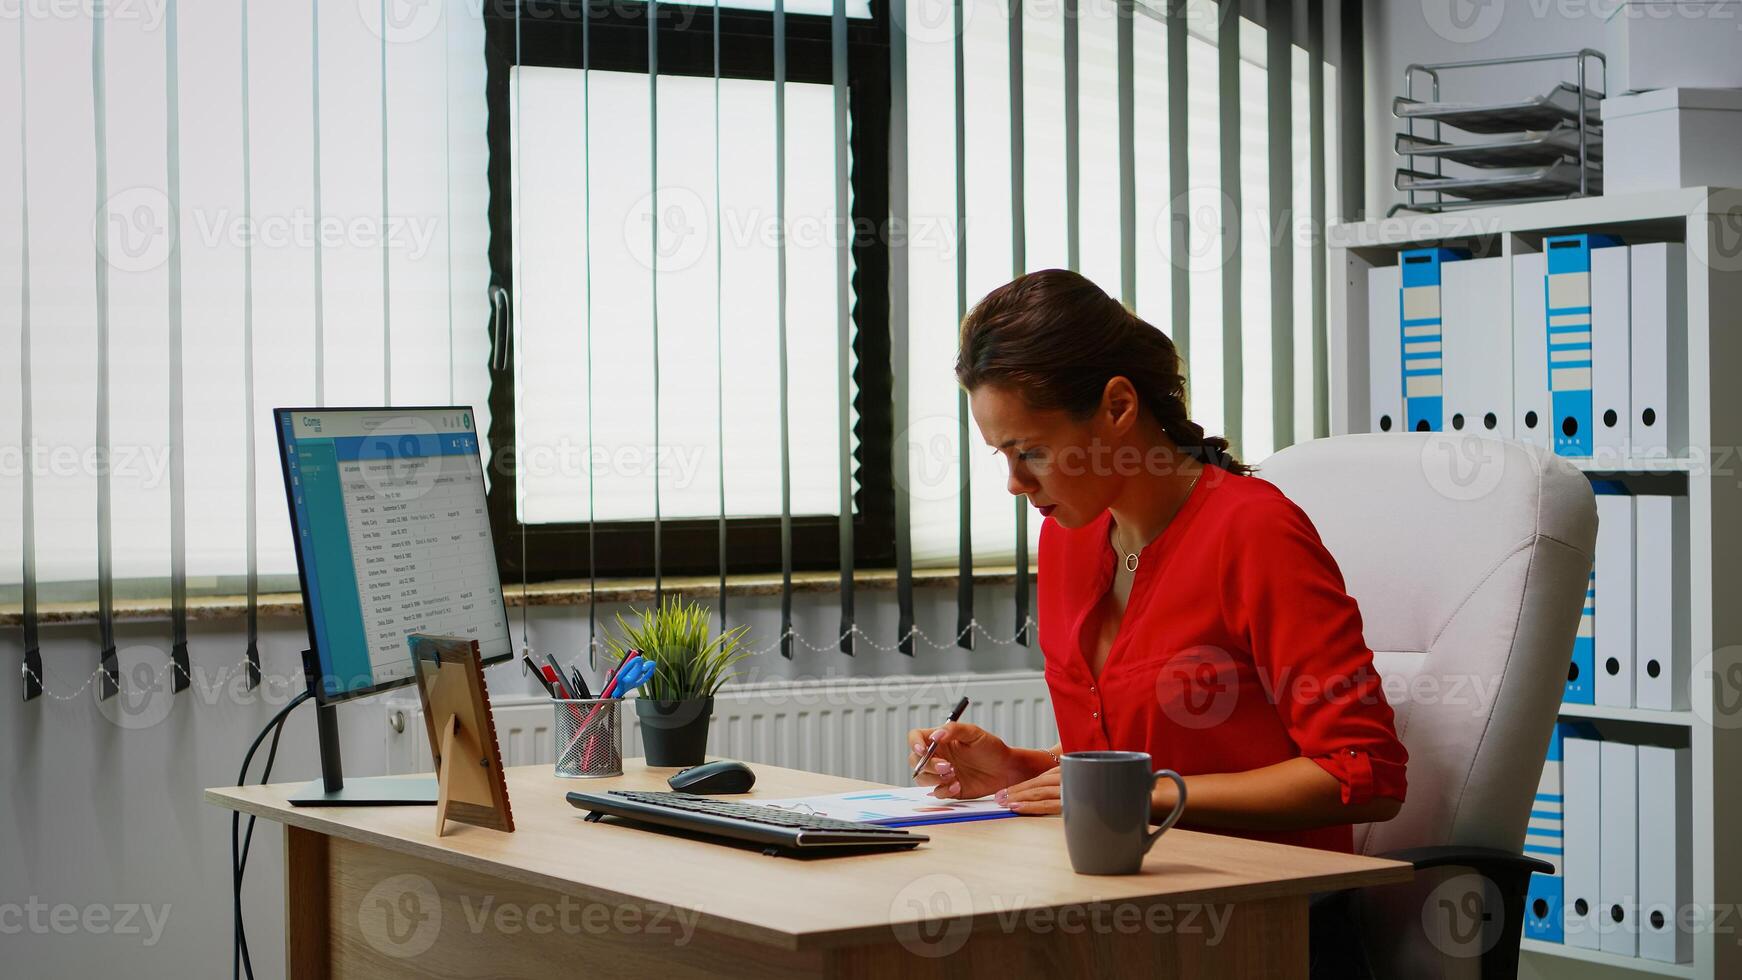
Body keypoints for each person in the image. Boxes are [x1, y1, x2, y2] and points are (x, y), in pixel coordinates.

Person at [905, 269, 1407, 977]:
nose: (1015, 483)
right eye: (1003, 455)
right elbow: (1145, 757)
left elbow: (1366, 775)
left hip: (1266, 927)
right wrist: (1027, 771)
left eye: (1032, 451)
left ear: (1116, 406)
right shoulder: (1071, 538)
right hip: (1119, 908)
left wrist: (1145, 797)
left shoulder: (1255, 532)